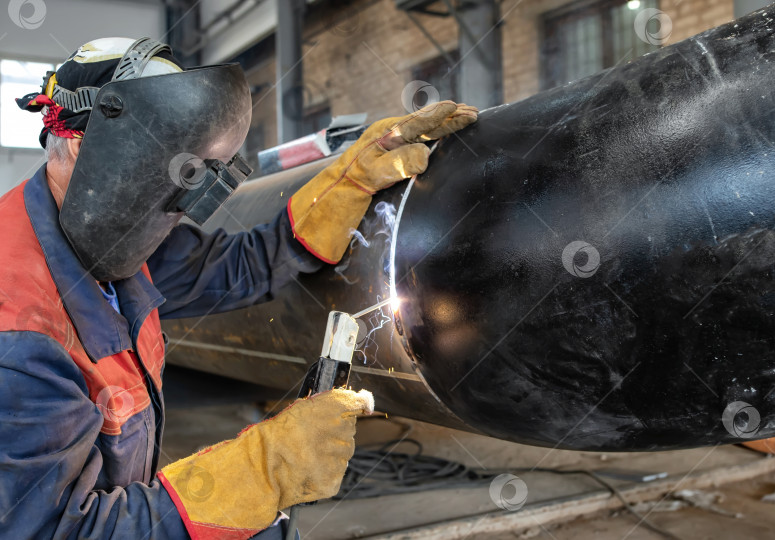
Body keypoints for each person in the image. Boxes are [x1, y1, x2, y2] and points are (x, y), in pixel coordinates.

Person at [0, 37, 477, 539]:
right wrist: (261, 469)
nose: (179, 208)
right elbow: (50, 532)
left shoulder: (113, 236)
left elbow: (238, 268)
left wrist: (350, 181)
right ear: (81, 146)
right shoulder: (21, 334)